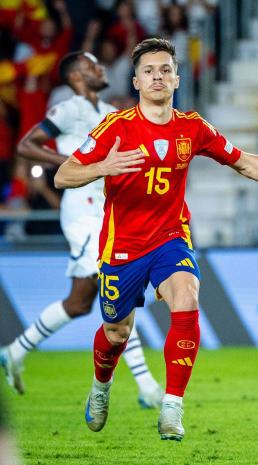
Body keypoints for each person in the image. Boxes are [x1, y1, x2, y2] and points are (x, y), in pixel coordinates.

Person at [53, 38, 258, 441]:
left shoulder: (192, 127)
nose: (158, 76)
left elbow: (243, 160)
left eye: (165, 69)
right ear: (136, 81)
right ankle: (101, 386)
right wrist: (103, 165)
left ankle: (172, 407)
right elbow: (63, 175)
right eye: (150, 71)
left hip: (171, 235)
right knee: (116, 331)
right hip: (123, 245)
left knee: (187, 297)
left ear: (177, 77)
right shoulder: (115, 128)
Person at [0, 51, 163, 409]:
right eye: (92, 65)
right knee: (117, 288)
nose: (101, 68)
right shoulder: (70, 108)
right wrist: (74, 163)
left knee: (79, 302)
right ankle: (148, 385)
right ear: (76, 76)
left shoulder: (107, 114)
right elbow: (26, 145)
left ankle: (14, 351)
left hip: (106, 212)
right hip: (82, 213)